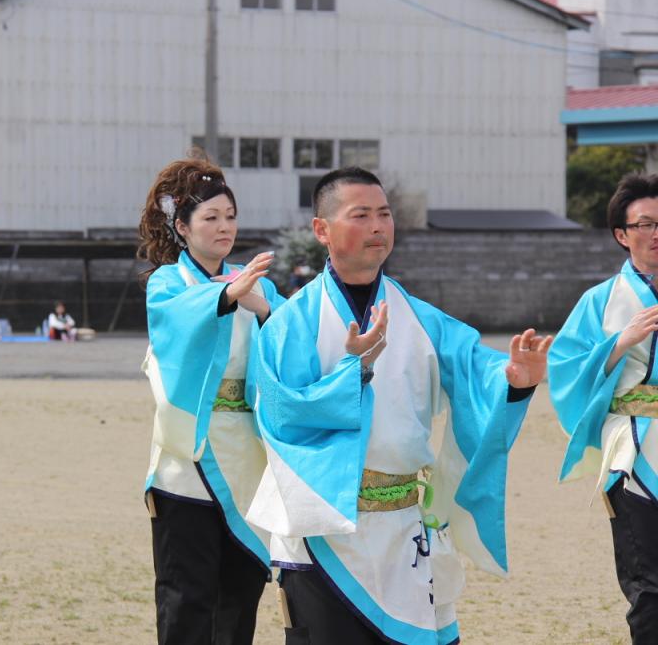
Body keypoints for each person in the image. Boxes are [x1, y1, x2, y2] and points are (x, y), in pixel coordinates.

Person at [247, 167, 551, 645]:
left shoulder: (419, 316)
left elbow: (475, 367)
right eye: (361, 214)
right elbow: (280, 413)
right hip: (322, 533)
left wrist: (514, 381)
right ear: (322, 230)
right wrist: (357, 372)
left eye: (384, 214)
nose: (377, 226)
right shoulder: (291, 322)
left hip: (404, 523)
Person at [138, 157, 285, 645]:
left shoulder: (255, 282)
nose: (224, 227)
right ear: (182, 227)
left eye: (230, 216)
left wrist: (262, 307)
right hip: (188, 460)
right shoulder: (167, 283)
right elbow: (173, 323)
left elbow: (292, 345)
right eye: (210, 218)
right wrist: (223, 298)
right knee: (186, 596)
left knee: (240, 595)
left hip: (247, 459)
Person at [548, 172, 658, 644]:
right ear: (622, 235)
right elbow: (564, 368)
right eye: (645, 224)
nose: (655, 234)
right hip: (632, 450)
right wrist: (619, 342)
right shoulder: (600, 301)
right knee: (648, 583)